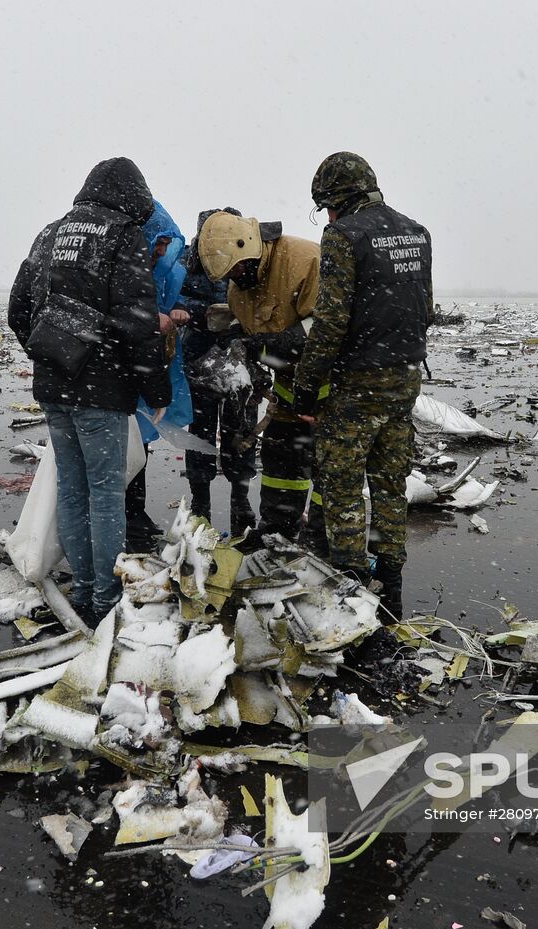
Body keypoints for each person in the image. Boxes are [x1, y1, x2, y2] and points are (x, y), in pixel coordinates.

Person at [7, 157, 170, 624]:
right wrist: (155, 388)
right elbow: (140, 322)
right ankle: (104, 601)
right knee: (104, 492)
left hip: (54, 386)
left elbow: (18, 311)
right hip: (102, 389)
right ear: (133, 197)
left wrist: (53, 351)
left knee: (74, 490)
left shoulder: (49, 234)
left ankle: (83, 591)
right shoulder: (122, 235)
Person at [290, 152, 432, 622]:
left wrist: (306, 386)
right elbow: (423, 307)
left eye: (325, 206)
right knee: (390, 483)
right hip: (406, 375)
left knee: (344, 485)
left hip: (359, 383)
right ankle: (391, 582)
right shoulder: (416, 232)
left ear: (337, 199)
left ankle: (351, 588)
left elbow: (330, 322)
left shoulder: (344, 235)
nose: (326, 217)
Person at [198, 211, 326, 549]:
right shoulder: (239, 287)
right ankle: (276, 533)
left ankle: (322, 540)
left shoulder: (305, 260)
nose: (236, 278)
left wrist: (274, 344)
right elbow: (251, 329)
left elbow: (329, 326)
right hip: (289, 391)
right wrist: (244, 349)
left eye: (238, 270)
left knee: (332, 472)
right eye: (229, 275)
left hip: (333, 393)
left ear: (250, 247)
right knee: (280, 462)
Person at [179, 208, 261, 533]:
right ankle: (200, 503)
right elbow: (174, 298)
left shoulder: (248, 257)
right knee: (199, 432)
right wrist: (201, 314)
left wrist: (238, 317)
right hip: (199, 356)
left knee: (240, 431)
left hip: (242, 356)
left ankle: (240, 498)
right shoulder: (186, 260)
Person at [125, 199, 195, 551]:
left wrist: (177, 311)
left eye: (167, 244)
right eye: (158, 243)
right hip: (124, 373)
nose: (163, 251)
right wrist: (150, 319)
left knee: (141, 444)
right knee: (123, 449)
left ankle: (134, 516)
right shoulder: (123, 269)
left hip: (148, 370)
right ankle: (124, 523)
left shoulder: (165, 272)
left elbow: (176, 301)